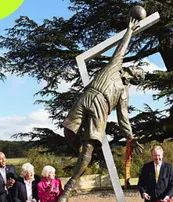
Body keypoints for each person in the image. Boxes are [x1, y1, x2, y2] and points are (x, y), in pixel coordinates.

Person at [58, 16, 144, 202]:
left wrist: (131, 137)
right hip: (88, 95)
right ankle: (84, 157)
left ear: (136, 78)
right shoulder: (115, 65)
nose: (136, 68)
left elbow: (123, 118)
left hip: (101, 107)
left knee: (88, 149)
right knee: (68, 130)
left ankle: (69, 187)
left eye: (139, 71)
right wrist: (129, 30)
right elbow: (121, 48)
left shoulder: (124, 92)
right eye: (137, 67)